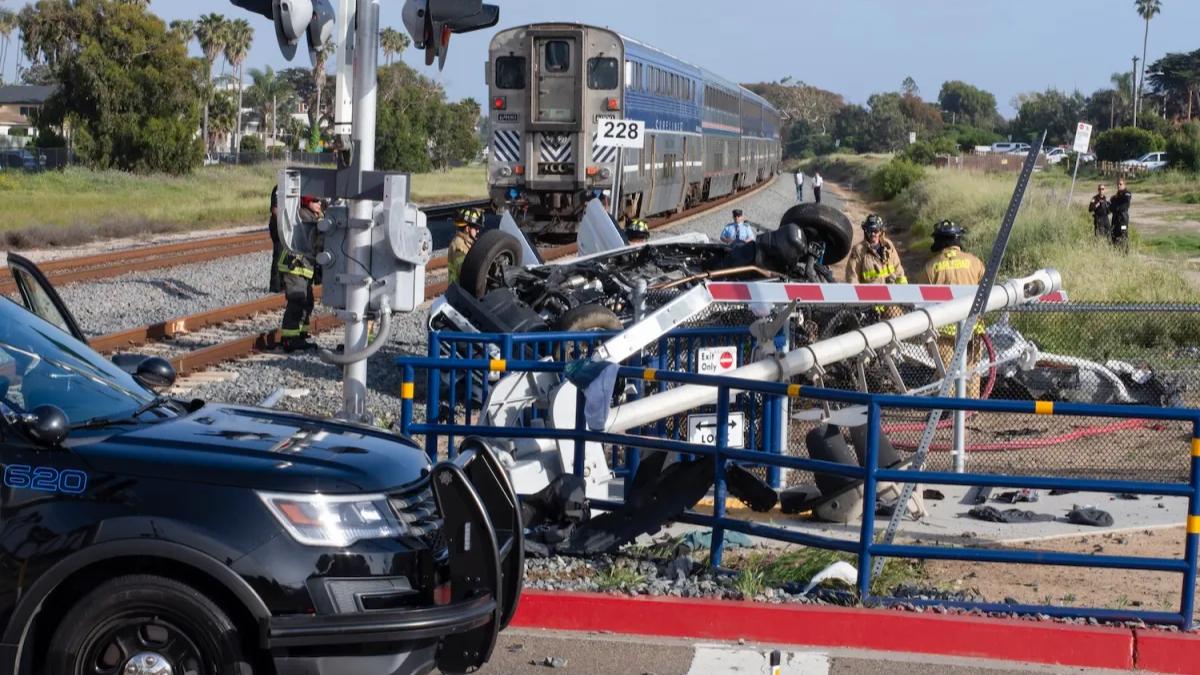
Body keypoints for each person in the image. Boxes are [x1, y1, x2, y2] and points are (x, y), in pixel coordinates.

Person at [918, 220, 986, 398]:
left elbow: (921, 300)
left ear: (941, 241)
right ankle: (971, 411)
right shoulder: (975, 262)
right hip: (972, 328)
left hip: (943, 330)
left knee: (947, 372)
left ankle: (947, 410)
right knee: (972, 371)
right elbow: (987, 294)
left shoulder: (931, 267)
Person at [277, 196, 323, 352]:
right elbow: (316, 236)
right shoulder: (303, 216)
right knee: (297, 301)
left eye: (320, 201)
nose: (319, 203)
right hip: (294, 266)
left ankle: (300, 335)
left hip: (304, 267)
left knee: (307, 301)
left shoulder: (315, 216)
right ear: (306, 202)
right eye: (315, 201)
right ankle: (289, 339)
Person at [845, 214, 906, 285]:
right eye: (869, 231)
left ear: (880, 231)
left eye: (875, 230)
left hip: (890, 294)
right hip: (869, 295)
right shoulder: (858, 251)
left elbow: (898, 270)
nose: (873, 234)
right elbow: (852, 277)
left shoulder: (888, 246)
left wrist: (904, 291)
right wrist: (857, 294)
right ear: (865, 231)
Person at [448, 207, 484, 286]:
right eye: (476, 228)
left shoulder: (468, 241)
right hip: (459, 290)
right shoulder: (458, 245)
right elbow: (464, 272)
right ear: (467, 229)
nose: (478, 231)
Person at [1109, 178, 1132, 254]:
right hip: (1115, 219)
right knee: (1113, 236)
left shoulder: (1126, 194)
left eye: (1120, 184)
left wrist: (1117, 208)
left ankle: (1125, 253)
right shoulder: (1115, 197)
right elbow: (1111, 207)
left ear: (1125, 185)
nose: (1118, 186)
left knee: (1123, 236)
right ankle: (1116, 252)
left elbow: (1125, 203)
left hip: (1122, 220)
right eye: (1117, 184)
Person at [268, 185, 283, 293]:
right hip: (278, 225)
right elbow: (275, 209)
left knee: (286, 255)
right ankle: (275, 285)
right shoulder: (279, 189)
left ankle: (283, 283)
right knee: (279, 253)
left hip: (287, 225)